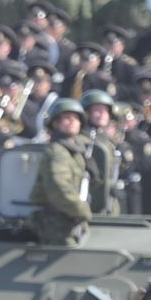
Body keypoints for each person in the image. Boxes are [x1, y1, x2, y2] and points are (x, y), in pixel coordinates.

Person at [29, 97, 91, 245]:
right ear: (55, 123)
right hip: (56, 222)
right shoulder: (57, 152)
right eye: (66, 118)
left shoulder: (74, 149)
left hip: (68, 217)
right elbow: (59, 188)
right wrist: (83, 211)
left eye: (76, 118)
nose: (72, 122)